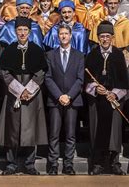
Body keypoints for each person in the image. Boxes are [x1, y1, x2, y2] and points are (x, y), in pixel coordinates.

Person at [0, 17, 48, 175]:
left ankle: (29, 164)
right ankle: (11, 163)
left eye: (25, 30)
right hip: (13, 93)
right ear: (15, 32)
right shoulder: (9, 50)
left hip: (32, 94)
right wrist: (19, 90)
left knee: (32, 128)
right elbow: (4, 72)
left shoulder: (37, 50)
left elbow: (41, 72)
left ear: (30, 32)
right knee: (12, 128)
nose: (22, 33)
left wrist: (29, 90)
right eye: (20, 30)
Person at [85, 21, 129, 175]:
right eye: (102, 36)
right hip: (97, 100)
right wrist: (95, 88)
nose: (105, 39)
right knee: (97, 130)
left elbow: (124, 80)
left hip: (113, 101)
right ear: (98, 38)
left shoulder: (118, 55)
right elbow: (86, 79)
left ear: (112, 37)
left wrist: (114, 93)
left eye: (107, 36)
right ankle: (97, 163)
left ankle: (114, 162)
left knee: (114, 132)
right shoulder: (92, 55)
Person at [45, 23, 84, 175]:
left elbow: (80, 79)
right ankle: (53, 164)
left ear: (70, 35)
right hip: (55, 100)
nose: (63, 36)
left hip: (72, 100)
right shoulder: (50, 55)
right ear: (57, 36)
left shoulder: (79, 56)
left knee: (70, 134)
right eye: (61, 34)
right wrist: (59, 95)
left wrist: (68, 96)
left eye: (66, 34)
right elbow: (48, 78)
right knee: (54, 134)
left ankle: (68, 164)